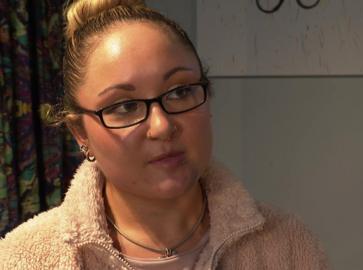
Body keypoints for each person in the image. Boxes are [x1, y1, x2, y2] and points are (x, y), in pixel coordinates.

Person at [0, 0, 328, 269]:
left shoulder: (286, 246)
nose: (162, 126)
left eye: (180, 92)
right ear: (80, 133)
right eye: (125, 106)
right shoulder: (24, 259)